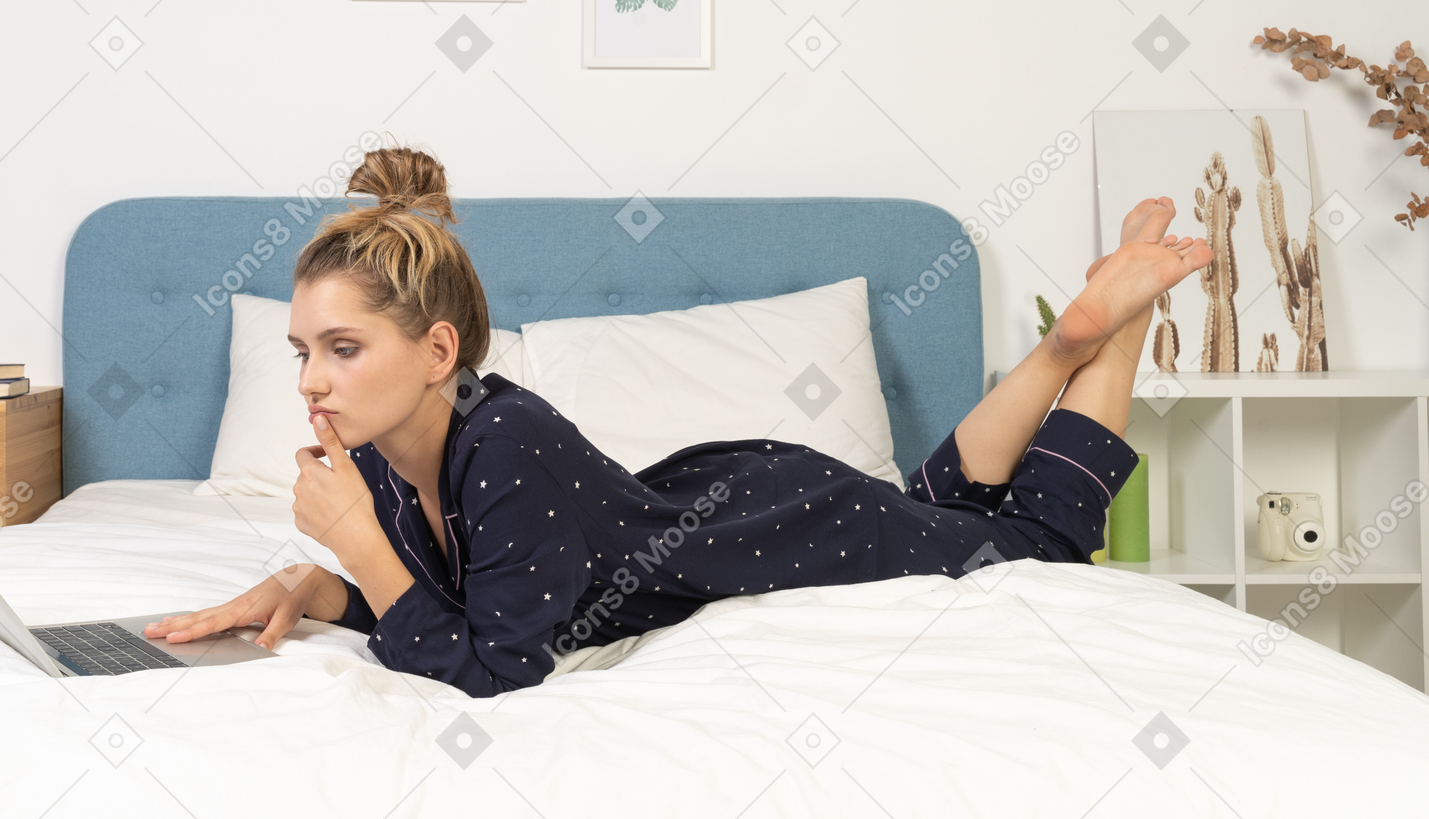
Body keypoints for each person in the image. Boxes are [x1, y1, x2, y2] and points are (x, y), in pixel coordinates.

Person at [145, 144, 1213, 697]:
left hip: (787, 531)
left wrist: (357, 552)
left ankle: (1114, 331)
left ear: (437, 355)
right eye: (301, 353)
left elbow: (494, 669)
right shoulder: (383, 450)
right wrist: (310, 585)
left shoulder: (500, 444)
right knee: (929, 506)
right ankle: (1065, 344)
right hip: (744, 495)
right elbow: (448, 595)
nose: (312, 383)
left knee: (1033, 549)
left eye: (342, 350)